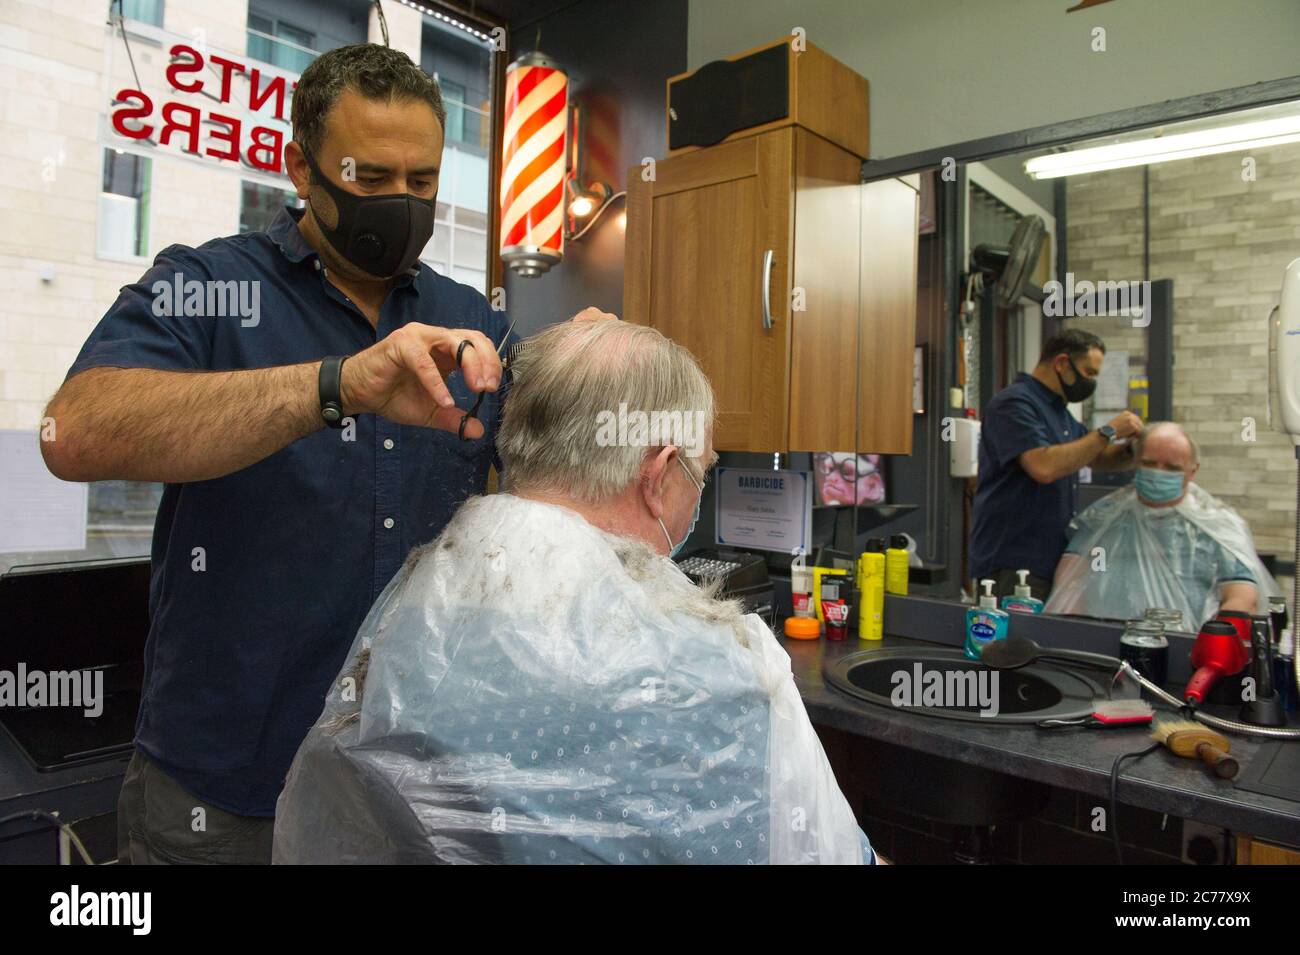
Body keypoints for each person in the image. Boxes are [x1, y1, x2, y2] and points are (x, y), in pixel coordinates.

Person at [39, 43, 611, 864]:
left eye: (421, 183)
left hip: (403, 785)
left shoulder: (470, 321)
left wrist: (592, 377)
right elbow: (75, 430)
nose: (400, 203)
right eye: (371, 179)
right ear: (300, 169)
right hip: (226, 791)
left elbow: (548, 478)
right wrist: (335, 385)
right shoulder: (209, 288)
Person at [274, 320, 881, 864]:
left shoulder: (417, 610)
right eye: (702, 469)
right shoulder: (717, 671)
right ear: (661, 472)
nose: (699, 489)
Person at [1045, 422, 1275, 628]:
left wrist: (1215, 643)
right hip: (1102, 650)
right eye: (1149, 463)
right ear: (1135, 462)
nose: (1158, 473)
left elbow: (1242, 596)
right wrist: (1078, 633)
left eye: (1172, 467)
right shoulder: (1104, 518)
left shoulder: (1215, 526)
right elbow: (1070, 579)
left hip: (1185, 655)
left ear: (1192, 471)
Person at [969, 329, 1143, 601]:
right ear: (1061, 363)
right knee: (1012, 642)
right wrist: (1108, 431)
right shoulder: (1015, 404)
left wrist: (1135, 450)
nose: (1091, 383)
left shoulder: (1059, 413)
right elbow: (1044, 467)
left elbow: (1093, 455)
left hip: (1051, 558)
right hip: (1014, 561)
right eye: (1089, 373)